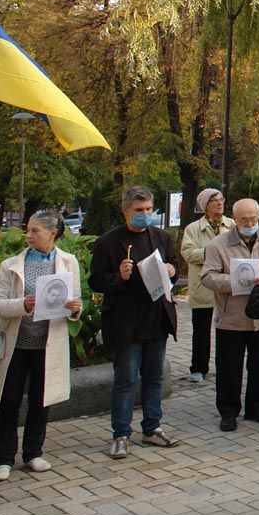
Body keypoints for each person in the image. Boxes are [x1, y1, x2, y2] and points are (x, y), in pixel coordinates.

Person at [88, 186, 181, 459]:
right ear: (126, 210)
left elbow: (174, 266)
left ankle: (152, 428)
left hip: (156, 319)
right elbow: (95, 280)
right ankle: (121, 433)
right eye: (139, 210)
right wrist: (119, 277)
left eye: (149, 209)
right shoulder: (108, 242)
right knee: (126, 380)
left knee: (154, 377)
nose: (145, 214)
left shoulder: (161, 237)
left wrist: (172, 270)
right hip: (126, 321)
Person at [0, 211, 83, 481]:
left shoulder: (68, 262)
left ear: (52, 234)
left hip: (48, 343)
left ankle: (33, 452)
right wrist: (22, 305)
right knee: (7, 400)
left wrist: (75, 309)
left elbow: (76, 303)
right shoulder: (10, 265)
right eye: (28, 229)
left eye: (35, 230)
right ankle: (3, 458)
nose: (29, 235)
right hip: (16, 343)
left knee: (40, 400)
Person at [200, 198, 259, 431]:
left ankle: (256, 407)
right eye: (244, 219)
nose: (250, 223)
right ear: (234, 219)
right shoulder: (218, 244)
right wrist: (234, 281)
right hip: (231, 316)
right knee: (229, 367)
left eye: (254, 218)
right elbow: (207, 276)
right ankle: (228, 412)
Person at [180, 188, 234, 384]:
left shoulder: (232, 225)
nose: (219, 203)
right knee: (201, 329)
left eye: (221, 200)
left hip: (226, 283)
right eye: (213, 201)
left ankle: (226, 366)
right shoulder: (193, 228)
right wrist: (211, 252)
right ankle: (198, 368)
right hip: (203, 285)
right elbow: (188, 253)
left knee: (227, 328)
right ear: (205, 205)